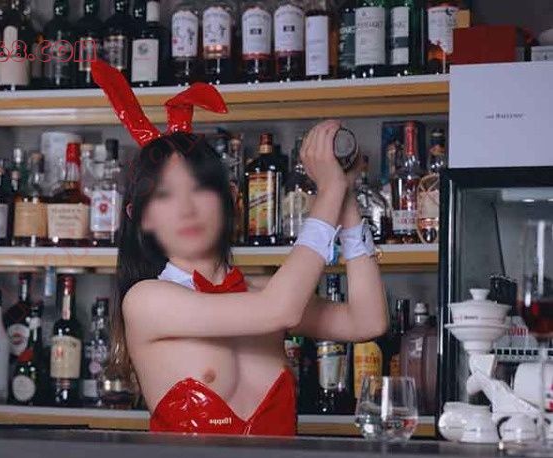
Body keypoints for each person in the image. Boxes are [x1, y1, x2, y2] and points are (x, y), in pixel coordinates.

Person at [91, 60, 388, 436]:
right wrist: (329, 191)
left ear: (232, 199)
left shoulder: (263, 292)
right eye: (164, 195)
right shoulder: (147, 300)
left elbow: (367, 321)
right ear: (141, 218)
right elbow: (279, 309)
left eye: (201, 188)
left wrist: (345, 198)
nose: (186, 208)